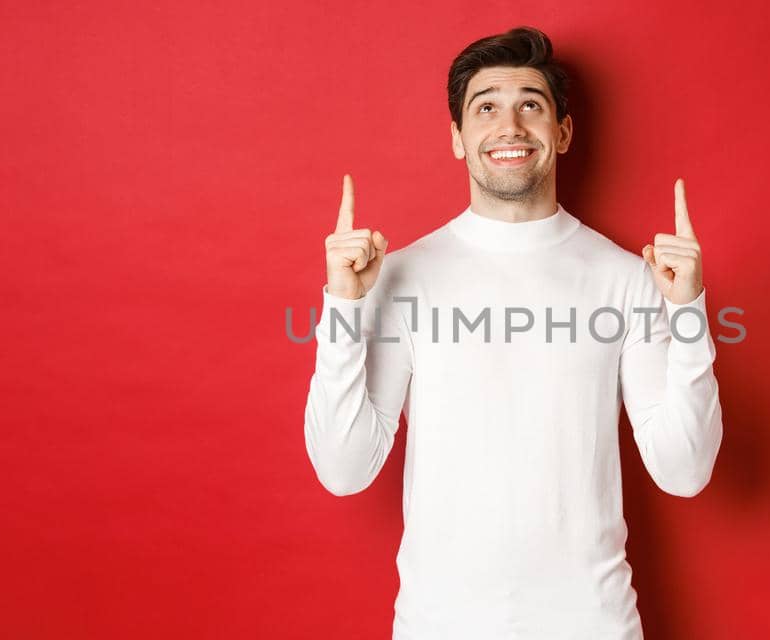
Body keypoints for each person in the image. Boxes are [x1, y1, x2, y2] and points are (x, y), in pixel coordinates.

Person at [303, 25, 724, 640]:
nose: (510, 126)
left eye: (531, 104)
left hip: (595, 626)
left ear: (562, 131)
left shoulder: (626, 279)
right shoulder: (400, 276)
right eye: (486, 107)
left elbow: (684, 472)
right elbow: (344, 470)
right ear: (457, 138)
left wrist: (688, 310)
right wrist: (343, 304)